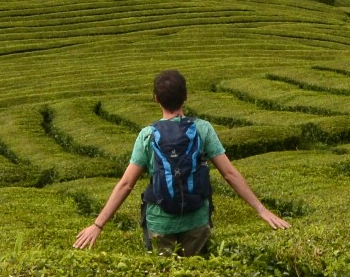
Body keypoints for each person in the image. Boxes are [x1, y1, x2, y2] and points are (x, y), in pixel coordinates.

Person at [72, 69, 290, 256]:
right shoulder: (202, 129)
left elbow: (126, 184)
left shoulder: (147, 135)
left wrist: (97, 225)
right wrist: (261, 210)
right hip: (196, 222)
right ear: (185, 96)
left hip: (159, 223)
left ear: (156, 98)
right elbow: (229, 174)